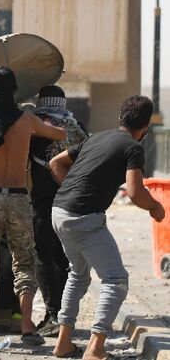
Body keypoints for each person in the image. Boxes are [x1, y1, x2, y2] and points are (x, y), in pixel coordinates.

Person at [49, 96, 165, 360]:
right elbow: (135, 192)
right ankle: (95, 348)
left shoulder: (97, 137)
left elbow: (56, 163)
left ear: (120, 118)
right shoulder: (133, 147)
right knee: (116, 281)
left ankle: (63, 342)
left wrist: (75, 191)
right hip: (84, 218)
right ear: (145, 127)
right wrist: (155, 207)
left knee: (78, 275)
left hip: (59, 212)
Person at [0, 66, 66, 351]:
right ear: (12, 93)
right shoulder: (27, 120)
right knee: (24, 262)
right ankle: (27, 325)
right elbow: (58, 134)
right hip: (20, 198)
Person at [28, 86, 88, 336]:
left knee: (44, 255)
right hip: (72, 201)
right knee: (66, 258)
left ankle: (53, 314)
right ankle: (65, 316)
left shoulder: (37, 128)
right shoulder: (78, 127)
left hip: (44, 203)